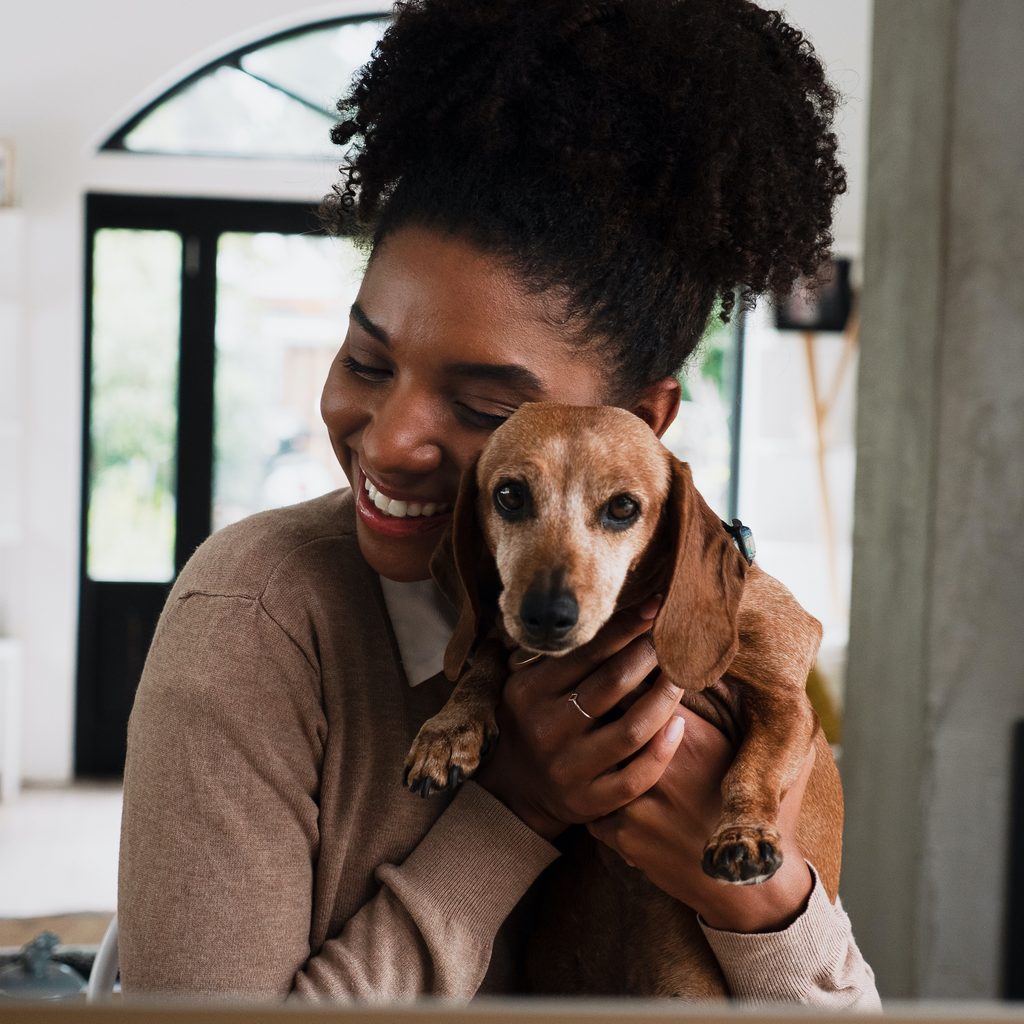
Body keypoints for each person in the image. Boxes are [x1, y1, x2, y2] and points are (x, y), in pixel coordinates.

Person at [118, 0, 880, 1007]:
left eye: (485, 407)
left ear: (643, 422)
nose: (388, 439)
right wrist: (516, 805)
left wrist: (760, 899)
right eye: (365, 359)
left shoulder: (713, 628)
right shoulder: (259, 613)